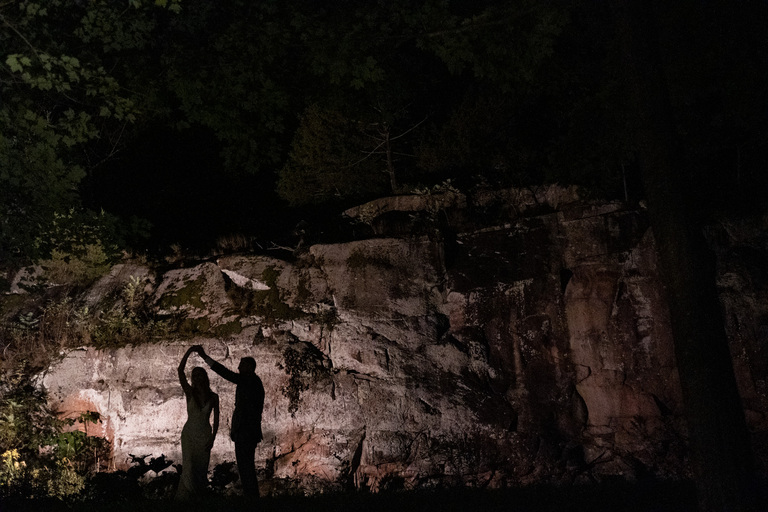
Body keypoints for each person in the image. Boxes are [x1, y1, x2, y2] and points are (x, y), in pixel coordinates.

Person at [193, 345, 265, 499]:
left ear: (249, 367)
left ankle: (251, 499)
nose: (238, 367)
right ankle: (251, 498)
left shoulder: (249, 380)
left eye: (242, 364)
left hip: (246, 432)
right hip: (246, 432)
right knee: (246, 467)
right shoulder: (252, 382)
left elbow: (225, 373)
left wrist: (205, 357)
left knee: (246, 467)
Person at [175, 346, 219, 501]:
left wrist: (212, 438)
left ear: (205, 377)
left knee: (201, 468)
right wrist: (189, 351)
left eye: (200, 375)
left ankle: (198, 499)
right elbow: (180, 372)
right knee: (189, 465)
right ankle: (185, 498)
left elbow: (217, 420)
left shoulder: (214, 397)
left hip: (204, 434)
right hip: (189, 434)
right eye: (195, 375)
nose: (197, 377)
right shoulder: (190, 393)